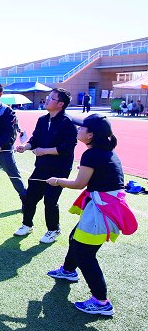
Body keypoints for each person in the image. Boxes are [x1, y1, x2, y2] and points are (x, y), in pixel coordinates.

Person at [46, 114, 132, 316]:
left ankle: (101, 302)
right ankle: (68, 270)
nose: (79, 130)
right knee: (75, 238)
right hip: (107, 208)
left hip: (102, 211)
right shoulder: (104, 152)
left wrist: (57, 181)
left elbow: (79, 184)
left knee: (85, 254)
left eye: (82, 128)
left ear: (91, 135)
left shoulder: (91, 155)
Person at [14, 88, 78, 243]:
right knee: (30, 196)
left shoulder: (68, 122)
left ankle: (53, 229)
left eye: (51, 98)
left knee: (50, 200)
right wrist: (26, 146)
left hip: (59, 169)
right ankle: (27, 224)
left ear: (60, 104)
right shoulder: (42, 120)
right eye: (48, 97)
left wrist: (44, 151)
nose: (47, 100)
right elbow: (35, 139)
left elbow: (68, 147)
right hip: (42, 166)